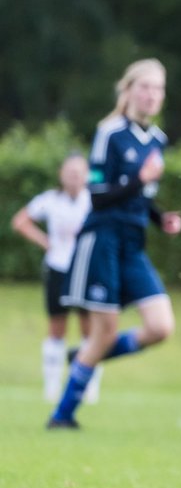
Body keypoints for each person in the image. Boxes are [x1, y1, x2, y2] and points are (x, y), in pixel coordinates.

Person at [46, 58, 181, 430]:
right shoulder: (109, 133)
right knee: (103, 332)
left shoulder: (157, 141)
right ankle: (62, 415)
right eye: (146, 87)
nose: (152, 95)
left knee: (160, 328)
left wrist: (160, 218)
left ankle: (86, 356)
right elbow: (99, 195)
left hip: (133, 244)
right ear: (129, 90)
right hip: (102, 240)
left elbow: (140, 196)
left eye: (158, 89)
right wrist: (140, 179)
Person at [10, 154, 102, 403]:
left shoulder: (94, 200)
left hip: (86, 270)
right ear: (62, 174)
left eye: (79, 172)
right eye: (70, 172)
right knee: (56, 328)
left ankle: (88, 386)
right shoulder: (49, 201)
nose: (74, 177)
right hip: (58, 269)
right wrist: (45, 242)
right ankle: (51, 387)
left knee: (89, 329)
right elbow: (20, 221)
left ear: (86, 175)